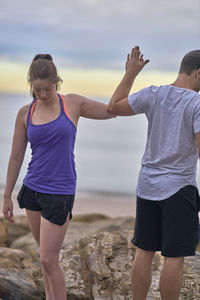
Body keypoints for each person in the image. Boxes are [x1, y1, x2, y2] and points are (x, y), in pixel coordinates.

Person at [2, 54, 115, 300]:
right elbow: (15, 156)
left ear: (58, 82)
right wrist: (7, 195)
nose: (42, 95)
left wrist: (129, 75)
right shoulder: (25, 112)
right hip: (32, 190)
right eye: (37, 89)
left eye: (48, 89)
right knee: (45, 261)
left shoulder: (72, 104)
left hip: (59, 192)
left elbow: (111, 110)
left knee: (48, 259)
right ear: (31, 85)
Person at [108, 46, 200, 300]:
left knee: (144, 251)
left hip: (147, 185)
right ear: (198, 73)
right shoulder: (197, 103)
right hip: (179, 189)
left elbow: (113, 107)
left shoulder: (154, 94)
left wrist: (130, 74)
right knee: (174, 257)